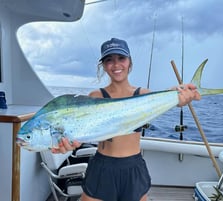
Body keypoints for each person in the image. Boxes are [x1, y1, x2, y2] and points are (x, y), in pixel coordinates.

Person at [52, 37, 201, 201]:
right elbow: (82, 131)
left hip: (133, 167)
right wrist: (70, 142)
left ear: (130, 62)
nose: (116, 65)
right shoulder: (96, 96)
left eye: (121, 58)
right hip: (103, 167)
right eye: (109, 60)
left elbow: (164, 97)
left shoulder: (143, 94)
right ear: (103, 66)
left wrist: (178, 93)